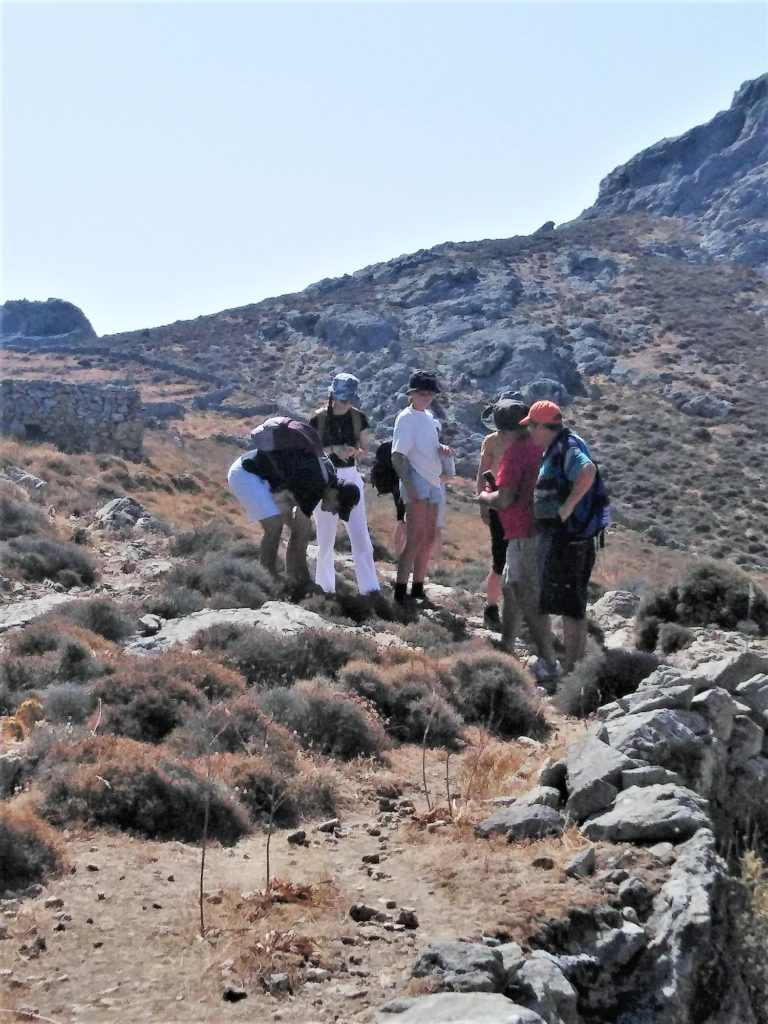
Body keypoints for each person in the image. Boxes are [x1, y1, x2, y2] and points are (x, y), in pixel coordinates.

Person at [475, 401, 559, 674]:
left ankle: (547, 659)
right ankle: (507, 644)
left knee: (526, 592)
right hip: (530, 529)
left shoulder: (515, 454)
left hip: (526, 531)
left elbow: (506, 497)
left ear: (502, 431)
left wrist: (485, 497)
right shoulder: (540, 447)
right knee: (512, 587)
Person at [227, 416, 360, 586]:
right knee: (274, 527)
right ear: (334, 494)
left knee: (294, 526)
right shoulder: (315, 484)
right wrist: (305, 582)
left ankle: (286, 578)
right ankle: (267, 578)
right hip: (246, 475)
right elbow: (298, 539)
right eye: (337, 508)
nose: (333, 512)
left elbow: (300, 533)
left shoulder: (328, 475)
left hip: (258, 473)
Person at [521, 399, 599, 674]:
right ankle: (573, 667)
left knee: (570, 606)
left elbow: (587, 470)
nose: (529, 431)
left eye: (531, 425)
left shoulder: (567, 448)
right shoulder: (564, 445)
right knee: (573, 605)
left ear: (543, 426)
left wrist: (566, 508)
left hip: (567, 540)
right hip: (571, 538)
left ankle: (570, 669)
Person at [309, 373, 380, 596]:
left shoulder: (359, 418)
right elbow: (311, 452)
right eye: (342, 398)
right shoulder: (318, 419)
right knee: (325, 539)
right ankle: (325, 590)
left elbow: (364, 449)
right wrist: (333, 450)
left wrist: (353, 452)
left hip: (350, 476)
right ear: (332, 395)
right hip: (325, 479)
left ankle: (370, 592)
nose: (346, 402)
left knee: (361, 539)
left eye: (349, 398)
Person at [390, 369, 447, 605]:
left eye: (431, 394)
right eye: (422, 393)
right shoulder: (406, 418)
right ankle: (400, 592)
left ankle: (418, 587)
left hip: (434, 480)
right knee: (414, 537)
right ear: (412, 394)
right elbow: (397, 456)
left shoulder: (430, 418)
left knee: (428, 536)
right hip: (417, 480)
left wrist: (441, 451)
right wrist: (410, 487)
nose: (427, 397)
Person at [476, 400, 528, 628]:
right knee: (500, 560)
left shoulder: (527, 442)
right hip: (499, 504)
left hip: (519, 507)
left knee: (520, 561)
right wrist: (483, 503)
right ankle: (492, 607)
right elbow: (482, 473)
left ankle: (516, 611)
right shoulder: (493, 442)